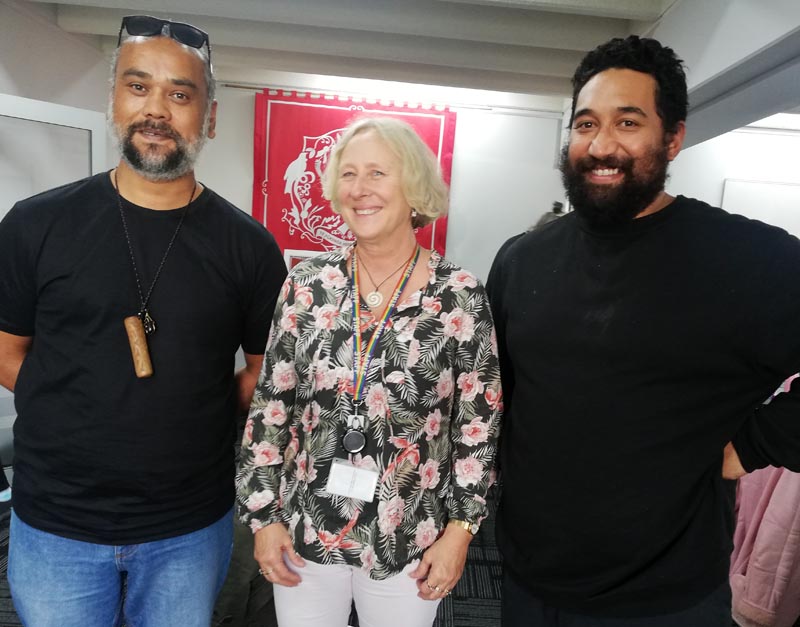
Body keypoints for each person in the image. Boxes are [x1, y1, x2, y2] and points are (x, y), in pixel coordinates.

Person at [487, 35, 800, 627]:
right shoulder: (521, 259)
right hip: (528, 582)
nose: (601, 144)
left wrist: (757, 446)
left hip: (665, 598)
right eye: (585, 123)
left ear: (673, 138)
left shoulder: (748, 261)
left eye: (628, 122)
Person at [0, 15, 286, 627]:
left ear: (208, 117)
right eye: (138, 87)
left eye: (180, 94)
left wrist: (187, 414)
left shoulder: (251, 248)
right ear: (113, 100)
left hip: (188, 526)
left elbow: (261, 373)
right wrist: (73, 408)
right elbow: (6, 350)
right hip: (57, 523)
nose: (157, 109)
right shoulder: (34, 225)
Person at [236, 117, 502, 627]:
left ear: (414, 187)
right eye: (349, 174)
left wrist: (461, 531)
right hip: (306, 527)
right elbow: (271, 409)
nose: (360, 189)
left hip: (408, 533)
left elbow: (479, 426)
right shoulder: (308, 285)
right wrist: (263, 516)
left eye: (378, 173)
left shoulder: (460, 296)